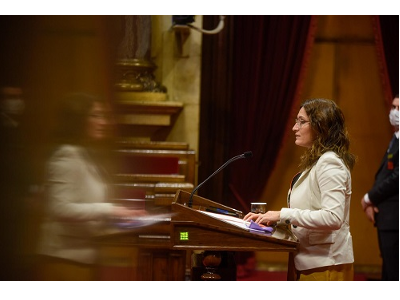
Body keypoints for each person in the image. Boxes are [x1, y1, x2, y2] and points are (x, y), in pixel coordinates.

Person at [36, 92, 147, 281]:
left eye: (104, 116)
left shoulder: (84, 154)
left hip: (82, 259)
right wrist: (111, 210)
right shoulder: (66, 155)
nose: (104, 122)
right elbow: (59, 208)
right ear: (78, 120)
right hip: (64, 261)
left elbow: (91, 210)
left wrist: (126, 220)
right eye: (96, 115)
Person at [244, 98, 356, 281]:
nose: (294, 128)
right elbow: (310, 213)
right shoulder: (318, 162)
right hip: (309, 260)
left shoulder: (330, 163)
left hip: (325, 264)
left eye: (301, 121)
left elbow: (333, 218)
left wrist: (282, 215)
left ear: (321, 126)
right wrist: (273, 221)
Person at [361, 94, 399, 281]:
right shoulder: (395, 139)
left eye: (399, 109)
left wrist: (369, 198)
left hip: (395, 219)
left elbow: (396, 178)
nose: (395, 112)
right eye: (393, 107)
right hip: (386, 217)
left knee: (394, 271)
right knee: (388, 269)